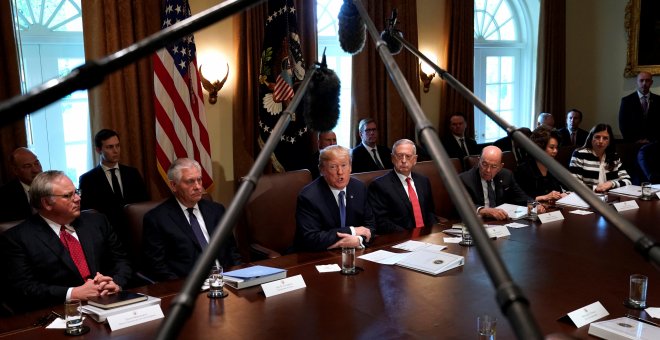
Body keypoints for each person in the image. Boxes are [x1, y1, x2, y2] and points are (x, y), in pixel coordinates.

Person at [0, 170, 131, 312]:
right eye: (68, 195)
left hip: (109, 302)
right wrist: (72, 293)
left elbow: (122, 260)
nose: (77, 198)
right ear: (47, 203)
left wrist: (115, 283)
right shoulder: (18, 238)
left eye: (76, 192)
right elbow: (24, 288)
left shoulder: (97, 221)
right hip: (58, 311)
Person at [142, 158, 241, 281]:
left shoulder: (216, 210)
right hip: (188, 287)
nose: (198, 186)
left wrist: (239, 275)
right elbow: (158, 266)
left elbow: (231, 250)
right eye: (190, 182)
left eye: (199, 180)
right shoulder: (157, 219)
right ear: (173, 185)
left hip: (225, 280)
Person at [295, 145, 375, 251]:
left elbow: (371, 226)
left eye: (344, 165)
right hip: (316, 256)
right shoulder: (309, 196)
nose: (340, 172)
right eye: (333, 167)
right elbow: (311, 238)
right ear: (322, 170)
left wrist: (358, 239)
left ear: (350, 167)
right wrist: (352, 231)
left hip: (353, 251)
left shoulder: (359, 188)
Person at [79, 129, 149, 246]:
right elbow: (87, 213)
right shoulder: (87, 179)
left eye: (117, 146)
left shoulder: (132, 173)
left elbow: (144, 203)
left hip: (136, 233)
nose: (116, 151)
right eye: (110, 147)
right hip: (107, 238)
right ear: (98, 150)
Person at [368, 139, 437, 233]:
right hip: (400, 238)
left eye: (408, 156)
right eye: (400, 156)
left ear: (415, 160)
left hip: (426, 237)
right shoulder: (379, 186)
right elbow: (382, 222)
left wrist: (434, 232)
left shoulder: (423, 181)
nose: (404, 160)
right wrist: (409, 236)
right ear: (392, 158)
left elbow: (430, 212)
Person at [459, 146, 540, 220]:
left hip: (501, 222)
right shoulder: (465, 179)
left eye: (494, 166)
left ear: (500, 167)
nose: (488, 170)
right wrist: (483, 210)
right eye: (484, 164)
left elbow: (521, 196)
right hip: (478, 223)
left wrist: (534, 204)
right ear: (478, 160)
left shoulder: (506, 175)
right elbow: (462, 205)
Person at [569, 124, 632, 192]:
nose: (601, 141)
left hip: (611, 197)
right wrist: (596, 189)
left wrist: (611, 184)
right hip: (588, 197)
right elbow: (574, 183)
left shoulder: (614, 156)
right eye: (597, 137)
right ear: (591, 138)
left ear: (609, 141)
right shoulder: (579, 154)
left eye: (605, 138)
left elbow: (628, 180)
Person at [515, 127, 567, 203]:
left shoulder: (554, 168)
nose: (555, 151)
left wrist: (561, 194)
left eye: (556, 148)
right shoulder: (524, 169)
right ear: (540, 147)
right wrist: (545, 197)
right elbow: (520, 198)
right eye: (552, 147)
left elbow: (561, 189)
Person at [0, 147, 43, 222]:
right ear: (16, 170)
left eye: (36, 163)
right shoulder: (4, 195)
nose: (36, 170)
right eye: (27, 166)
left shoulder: (53, 186)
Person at [618, 71, 660, 143]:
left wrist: (652, 141)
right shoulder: (626, 101)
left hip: (654, 144)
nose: (644, 83)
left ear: (651, 82)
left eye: (647, 80)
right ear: (637, 82)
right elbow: (623, 124)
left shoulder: (659, 100)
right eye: (641, 80)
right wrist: (635, 141)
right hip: (633, 144)